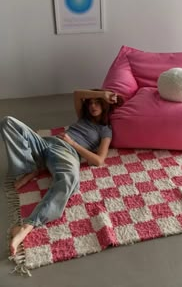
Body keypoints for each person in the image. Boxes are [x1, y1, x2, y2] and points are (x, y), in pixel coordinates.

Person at [0, 89, 123, 256]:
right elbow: (77, 94)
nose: (93, 106)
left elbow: (99, 160)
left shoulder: (105, 130)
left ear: (105, 106)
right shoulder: (83, 117)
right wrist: (102, 95)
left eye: (98, 103)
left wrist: (73, 143)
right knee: (8, 122)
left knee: (69, 181)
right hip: (48, 143)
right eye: (91, 102)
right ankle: (32, 167)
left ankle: (25, 228)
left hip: (67, 152)